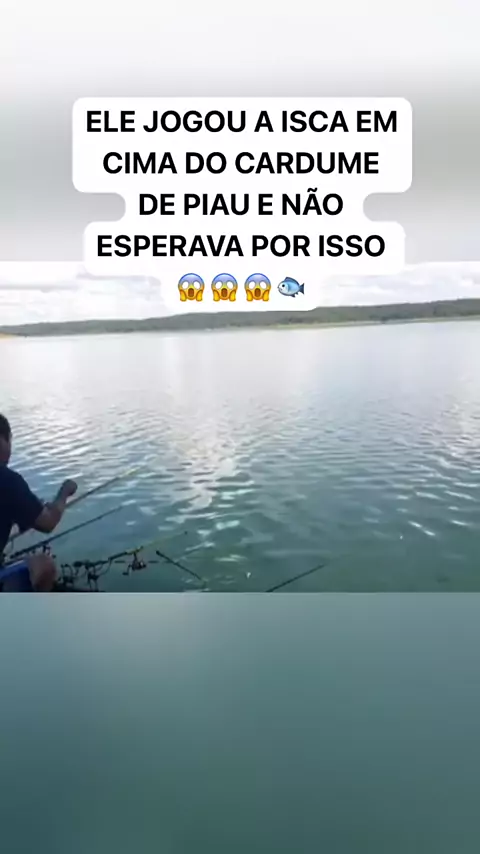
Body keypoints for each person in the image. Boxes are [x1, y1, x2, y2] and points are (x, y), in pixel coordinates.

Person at [0, 414, 78, 592]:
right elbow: (49, 522)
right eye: (9, 440)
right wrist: (65, 491)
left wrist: (26, 512)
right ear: (3, 440)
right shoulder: (8, 480)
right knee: (45, 564)